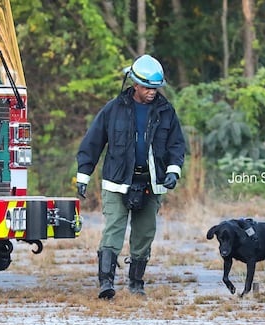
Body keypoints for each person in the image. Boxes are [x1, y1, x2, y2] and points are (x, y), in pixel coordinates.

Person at [76, 54, 186, 299]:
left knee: (145, 232)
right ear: (135, 84)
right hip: (117, 182)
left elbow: (177, 145)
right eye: (148, 87)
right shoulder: (113, 109)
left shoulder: (166, 111)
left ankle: (136, 283)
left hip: (151, 183)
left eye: (156, 88)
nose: (152, 92)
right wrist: (83, 175)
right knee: (113, 230)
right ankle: (106, 283)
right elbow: (93, 142)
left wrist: (172, 172)